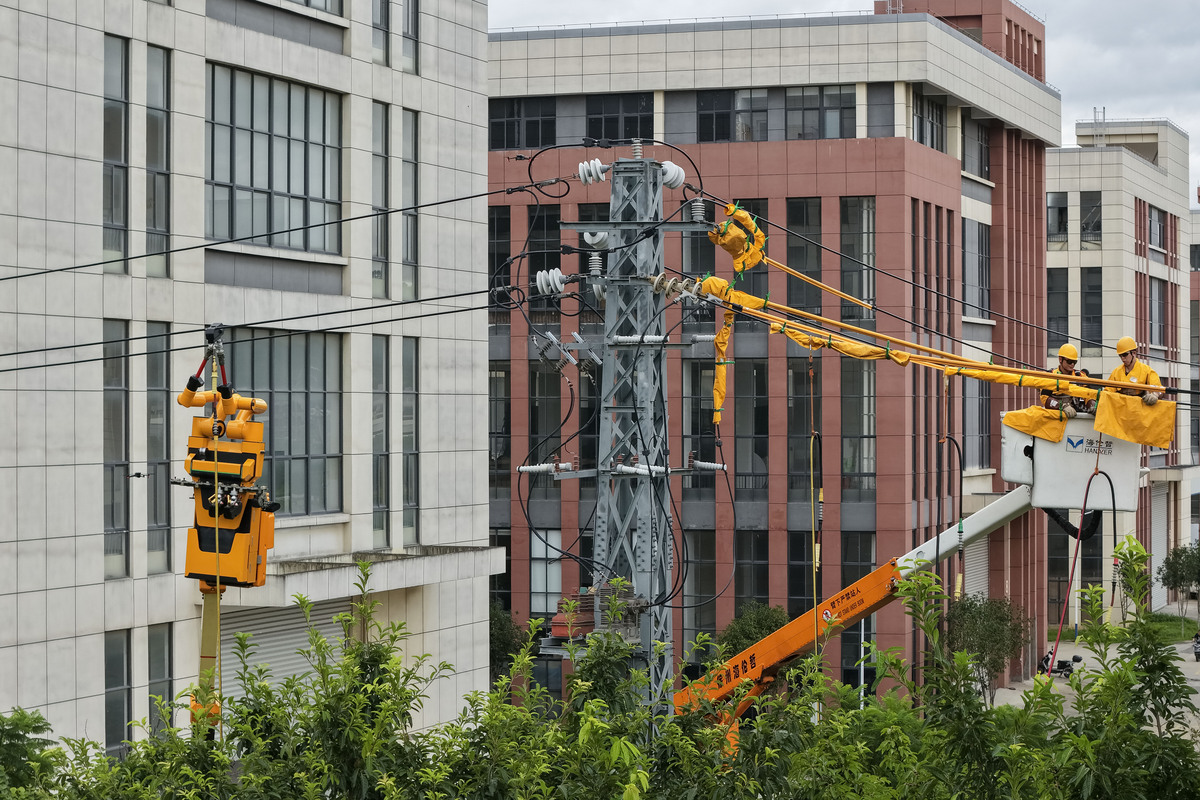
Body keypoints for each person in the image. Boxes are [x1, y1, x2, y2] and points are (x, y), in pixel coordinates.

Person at [1041, 343, 1095, 417]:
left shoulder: (1079, 375)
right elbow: (1044, 397)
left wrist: (1091, 403)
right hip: (1056, 418)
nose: (1072, 364)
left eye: (1074, 362)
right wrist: (1061, 406)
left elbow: (1088, 393)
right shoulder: (1051, 376)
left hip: (1075, 417)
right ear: (1060, 359)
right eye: (1069, 361)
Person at [1106, 336, 1163, 406]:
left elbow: (1159, 389)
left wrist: (1155, 395)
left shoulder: (1147, 371)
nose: (1123, 358)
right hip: (1121, 412)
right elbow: (1107, 393)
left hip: (1139, 412)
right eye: (1120, 356)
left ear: (1133, 353)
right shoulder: (1116, 372)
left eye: (1125, 355)